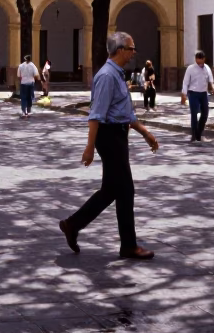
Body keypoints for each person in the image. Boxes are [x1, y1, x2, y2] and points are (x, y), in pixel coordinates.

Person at [58, 31, 159, 260]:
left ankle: (73, 224)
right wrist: (90, 147)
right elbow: (96, 115)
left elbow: (124, 113)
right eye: (132, 48)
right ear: (121, 50)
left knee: (113, 190)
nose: (134, 52)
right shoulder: (107, 76)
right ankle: (128, 245)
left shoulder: (117, 75)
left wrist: (145, 133)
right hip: (109, 136)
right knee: (125, 190)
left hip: (118, 134)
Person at [181, 50, 214, 143]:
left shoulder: (207, 68)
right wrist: (183, 94)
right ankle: (194, 135)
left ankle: (199, 133)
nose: (199, 62)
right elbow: (185, 82)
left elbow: (210, 80)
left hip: (204, 93)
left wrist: (213, 88)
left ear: (204, 59)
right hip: (193, 93)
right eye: (197, 59)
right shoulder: (190, 68)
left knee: (205, 113)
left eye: (200, 60)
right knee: (194, 113)